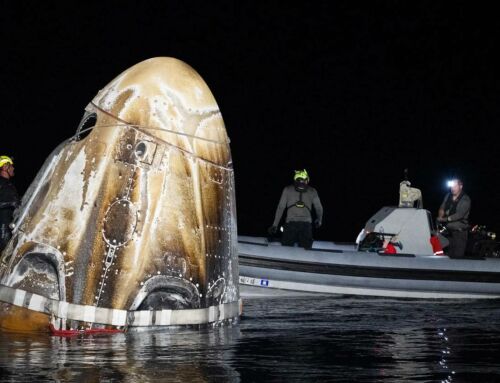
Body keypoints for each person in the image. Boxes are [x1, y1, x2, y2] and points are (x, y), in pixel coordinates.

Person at [268, 169, 323, 249]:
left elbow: (281, 207)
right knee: (306, 252)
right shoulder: (312, 191)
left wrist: (275, 225)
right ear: (307, 180)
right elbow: (319, 208)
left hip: (290, 225)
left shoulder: (287, 189)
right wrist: (319, 220)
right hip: (306, 226)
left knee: (286, 250)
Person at [437, 178, 471, 258]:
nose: (452, 188)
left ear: (461, 186)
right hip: (448, 233)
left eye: (455, 186)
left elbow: (459, 214)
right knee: (446, 257)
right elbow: (442, 206)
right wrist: (441, 213)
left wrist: (444, 219)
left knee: (457, 257)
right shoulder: (448, 195)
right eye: (451, 187)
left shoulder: (465, 199)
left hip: (459, 233)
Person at [0, 155, 19, 251]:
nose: (13, 168)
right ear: (5, 167)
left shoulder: (9, 184)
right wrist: (11, 203)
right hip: (2, 232)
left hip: (10, 228)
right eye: (11, 166)